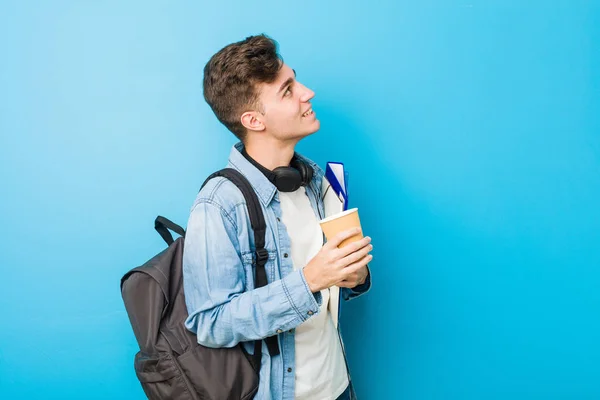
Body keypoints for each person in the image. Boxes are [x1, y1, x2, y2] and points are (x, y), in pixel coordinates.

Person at [182, 34, 373, 400]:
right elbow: (209, 323)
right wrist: (309, 281)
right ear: (254, 119)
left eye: (295, 80)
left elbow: (338, 284)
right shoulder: (219, 204)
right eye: (287, 90)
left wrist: (355, 277)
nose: (308, 92)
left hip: (339, 387)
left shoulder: (315, 179)